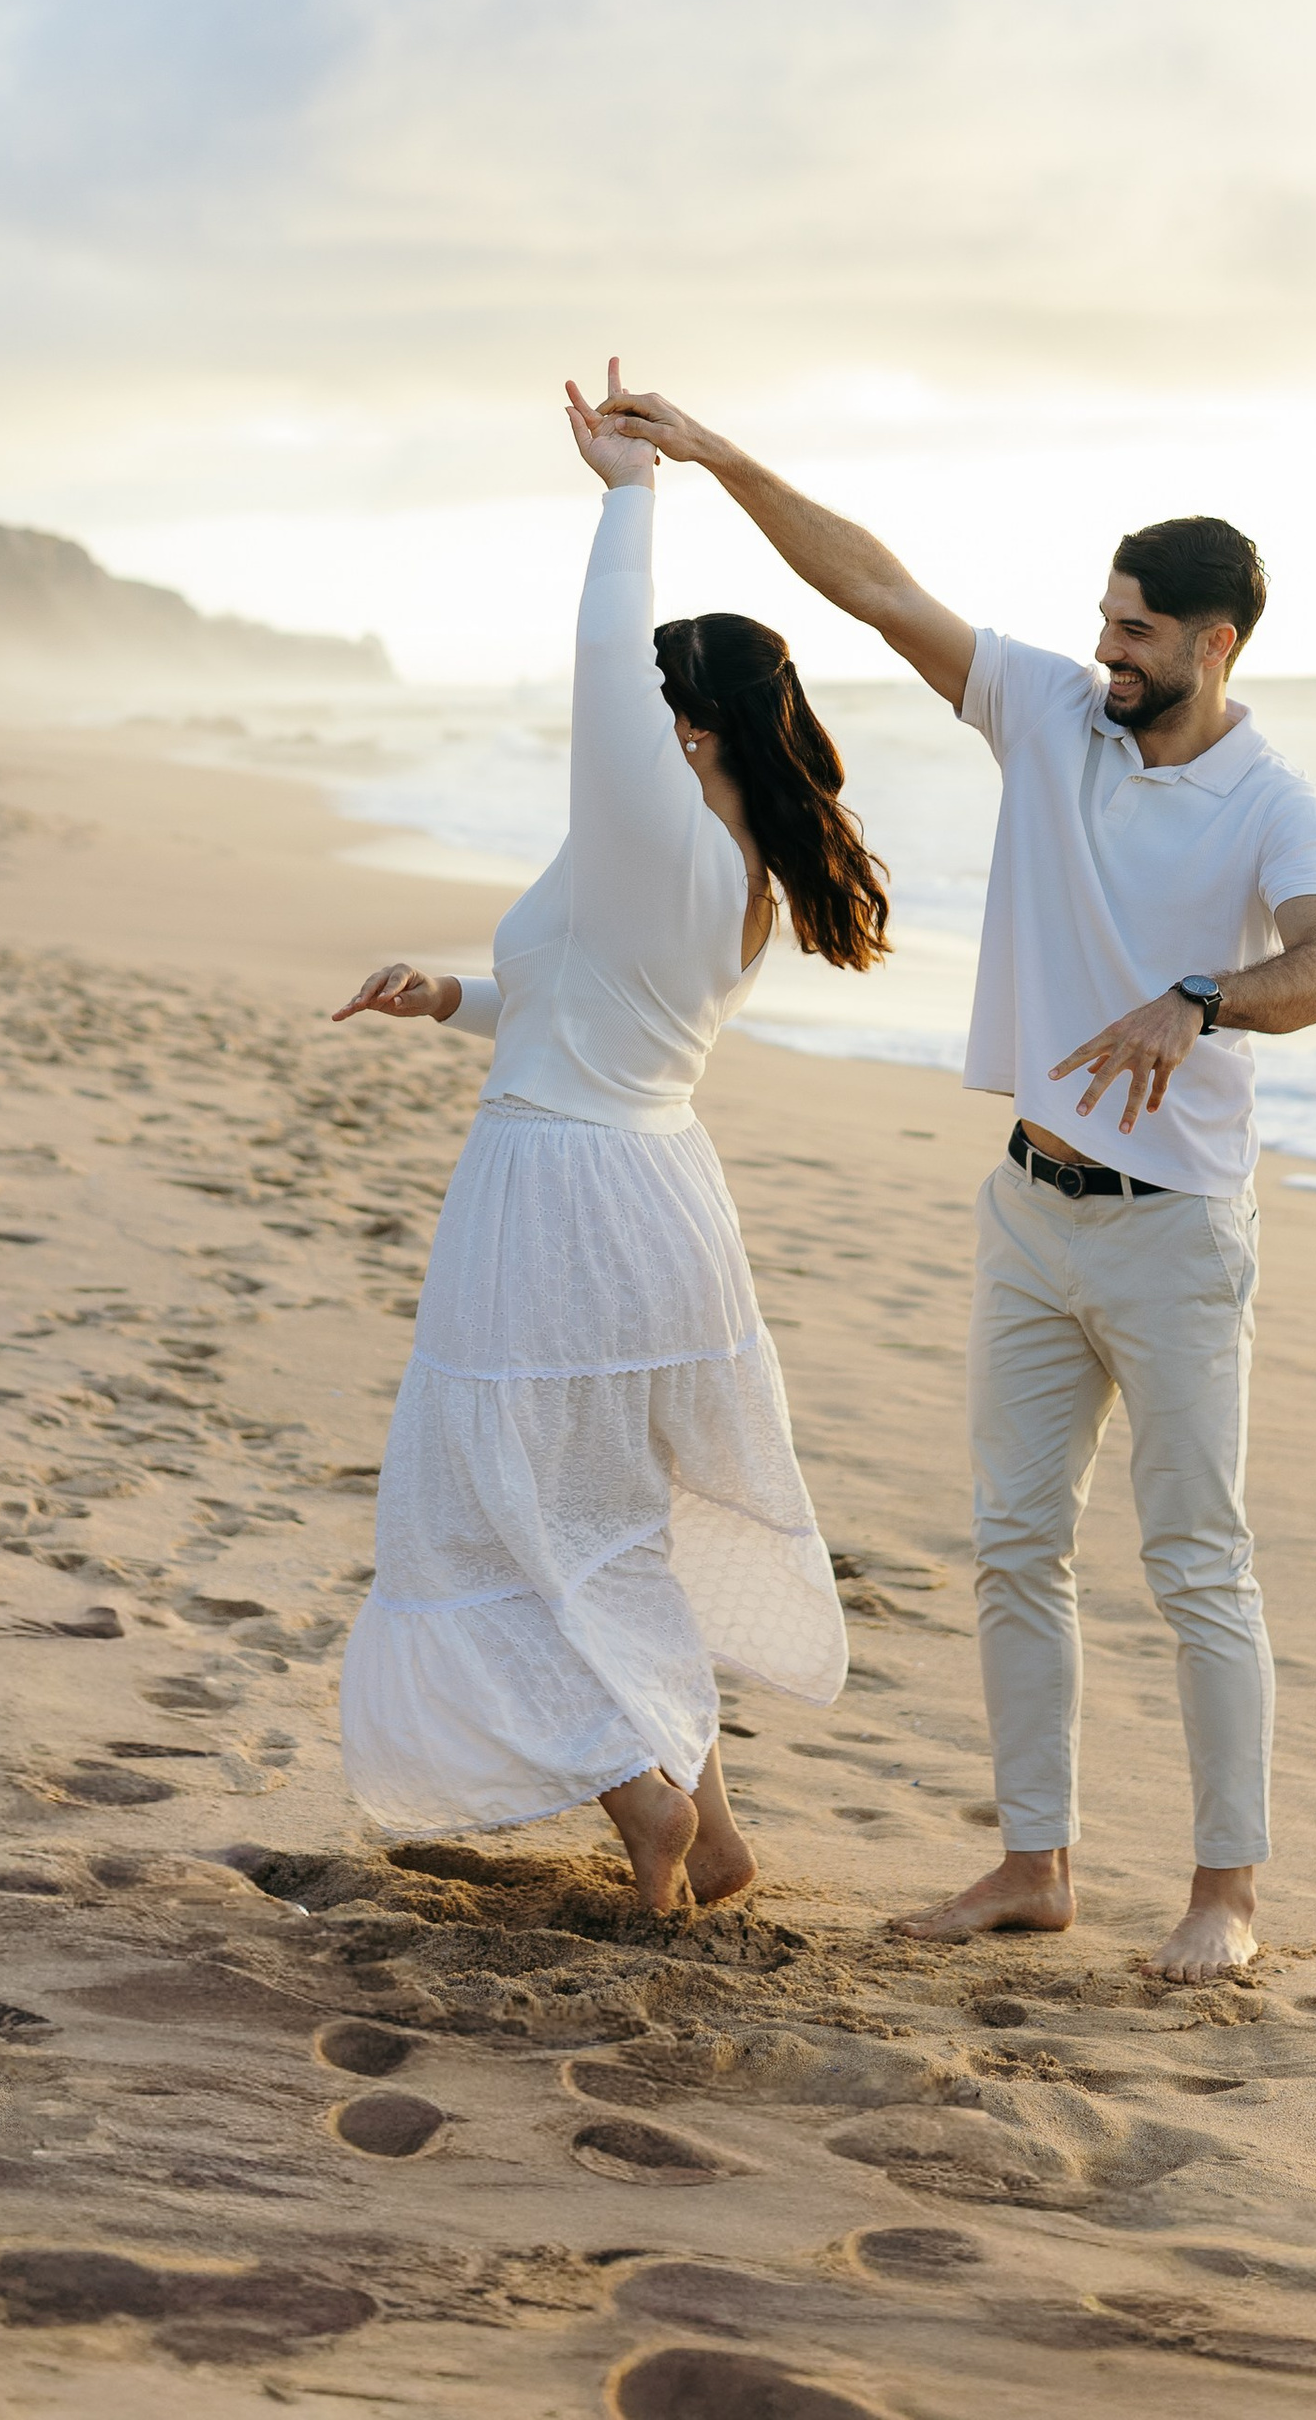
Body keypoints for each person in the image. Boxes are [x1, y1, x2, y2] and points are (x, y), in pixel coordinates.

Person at [590, 375, 1316, 1980]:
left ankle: (1226, 1894)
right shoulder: (1049, 719)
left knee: (1194, 1560)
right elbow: (872, 590)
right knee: (1016, 1545)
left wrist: (1198, 1001)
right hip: (1029, 1208)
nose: (1106, 650)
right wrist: (719, 455)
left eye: (1136, 630)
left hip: (1177, 1238)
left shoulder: (1272, 801)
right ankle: (1035, 1864)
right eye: (1103, 620)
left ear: (1213, 645)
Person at [330, 365, 890, 1915]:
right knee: (601, 1525)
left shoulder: (659, 823)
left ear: (690, 724)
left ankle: (643, 1802)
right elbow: (589, 1003)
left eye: (654, 700)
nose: (629, 713)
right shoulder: (735, 874)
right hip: (648, 1195)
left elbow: (596, 654)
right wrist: (456, 997)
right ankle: (705, 1834)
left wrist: (631, 495)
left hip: (559, 1203)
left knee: (486, 1516)